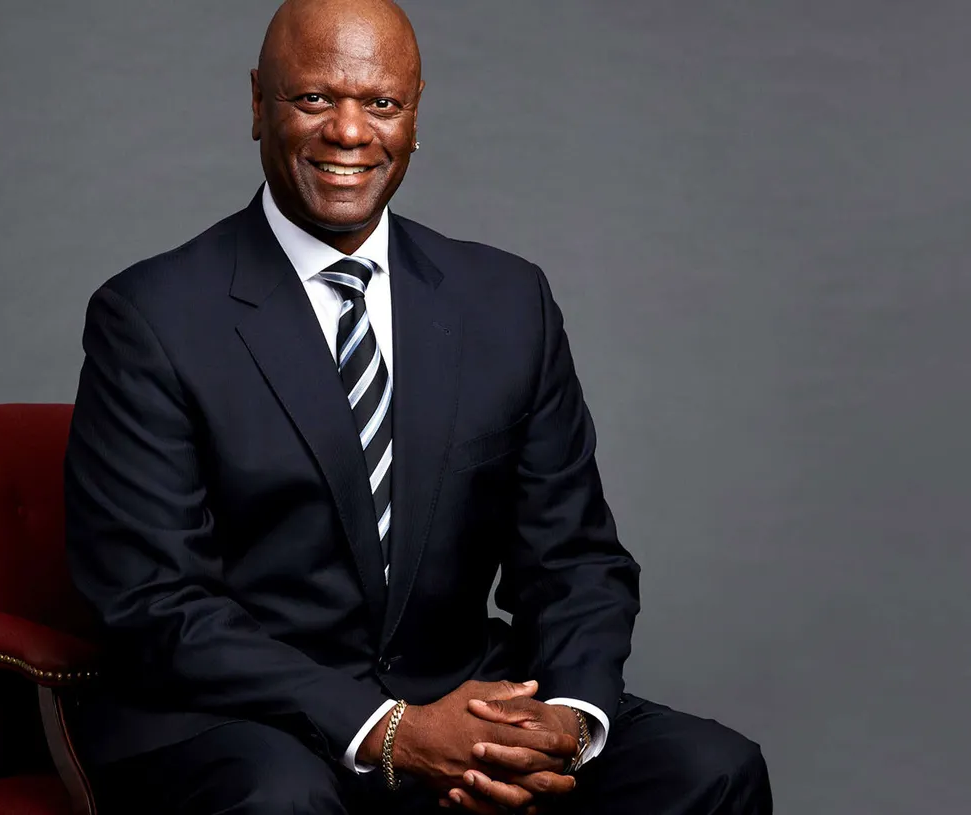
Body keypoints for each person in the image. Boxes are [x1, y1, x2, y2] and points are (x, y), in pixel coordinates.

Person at [63, 0, 772, 812]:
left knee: (711, 767)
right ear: (257, 102)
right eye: (315, 98)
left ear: (415, 112)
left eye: (382, 103)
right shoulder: (151, 316)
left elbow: (574, 558)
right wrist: (389, 728)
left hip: (461, 697)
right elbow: (155, 601)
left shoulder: (508, 301)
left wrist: (565, 723)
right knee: (281, 800)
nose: (351, 132)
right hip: (242, 720)